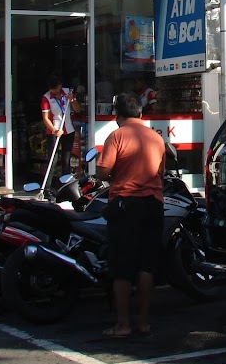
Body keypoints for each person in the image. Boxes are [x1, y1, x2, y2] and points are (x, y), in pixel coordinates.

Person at [96, 92, 166, 338]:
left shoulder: (116, 136)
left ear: (118, 115)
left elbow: (103, 173)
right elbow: (161, 170)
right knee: (146, 266)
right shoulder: (156, 138)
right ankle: (144, 323)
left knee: (122, 267)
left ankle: (123, 325)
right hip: (153, 203)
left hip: (126, 204)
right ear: (141, 113)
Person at [41, 74, 80, 182]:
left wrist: (72, 100)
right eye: (52, 89)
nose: (54, 91)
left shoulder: (68, 92)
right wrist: (54, 130)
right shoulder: (46, 97)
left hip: (69, 130)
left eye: (56, 88)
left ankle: (65, 186)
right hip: (54, 131)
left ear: (60, 85)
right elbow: (45, 118)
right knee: (52, 160)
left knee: (66, 160)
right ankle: (46, 188)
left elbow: (77, 110)